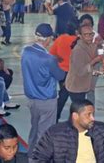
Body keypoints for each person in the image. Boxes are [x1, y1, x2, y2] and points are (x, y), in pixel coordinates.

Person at [30, 99, 104, 163]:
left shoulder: (102, 130)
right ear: (75, 116)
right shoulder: (55, 134)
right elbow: (39, 158)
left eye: (93, 114)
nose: (92, 118)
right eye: (88, 114)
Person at [21, 23, 66, 155]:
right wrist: (60, 63)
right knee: (45, 133)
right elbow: (60, 75)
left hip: (31, 99)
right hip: (46, 100)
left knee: (34, 129)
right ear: (48, 39)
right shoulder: (49, 59)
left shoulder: (26, 51)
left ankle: (31, 154)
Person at [65, 25, 104, 103]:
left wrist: (100, 46)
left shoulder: (89, 45)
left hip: (84, 85)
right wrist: (94, 61)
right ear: (80, 36)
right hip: (76, 87)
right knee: (78, 111)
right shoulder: (78, 50)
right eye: (86, 34)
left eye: (91, 34)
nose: (89, 37)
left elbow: (101, 54)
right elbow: (81, 72)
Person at [50, 21, 78, 122]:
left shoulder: (60, 39)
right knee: (75, 97)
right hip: (74, 72)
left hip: (62, 71)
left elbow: (52, 54)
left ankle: (56, 116)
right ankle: (75, 119)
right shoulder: (78, 41)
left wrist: (59, 59)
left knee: (63, 95)